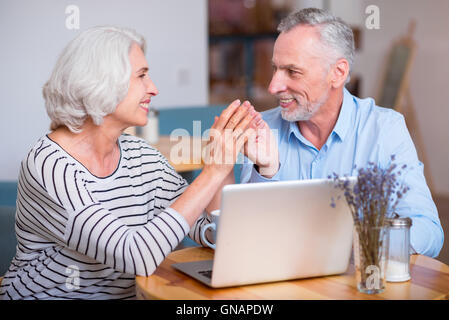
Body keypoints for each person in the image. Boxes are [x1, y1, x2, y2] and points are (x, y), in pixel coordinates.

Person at [0, 26, 262, 300]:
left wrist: (225, 162)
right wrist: (212, 172)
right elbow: (137, 255)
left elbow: (212, 234)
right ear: (101, 82)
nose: (154, 88)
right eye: (142, 76)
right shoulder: (49, 165)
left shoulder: (139, 154)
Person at [210, 8, 443, 258]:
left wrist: (353, 241)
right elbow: (244, 241)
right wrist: (266, 172)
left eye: (292, 71)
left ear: (338, 73)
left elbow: (428, 232)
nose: (273, 86)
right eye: (275, 69)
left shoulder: (384, 130)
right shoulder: (263, 129)